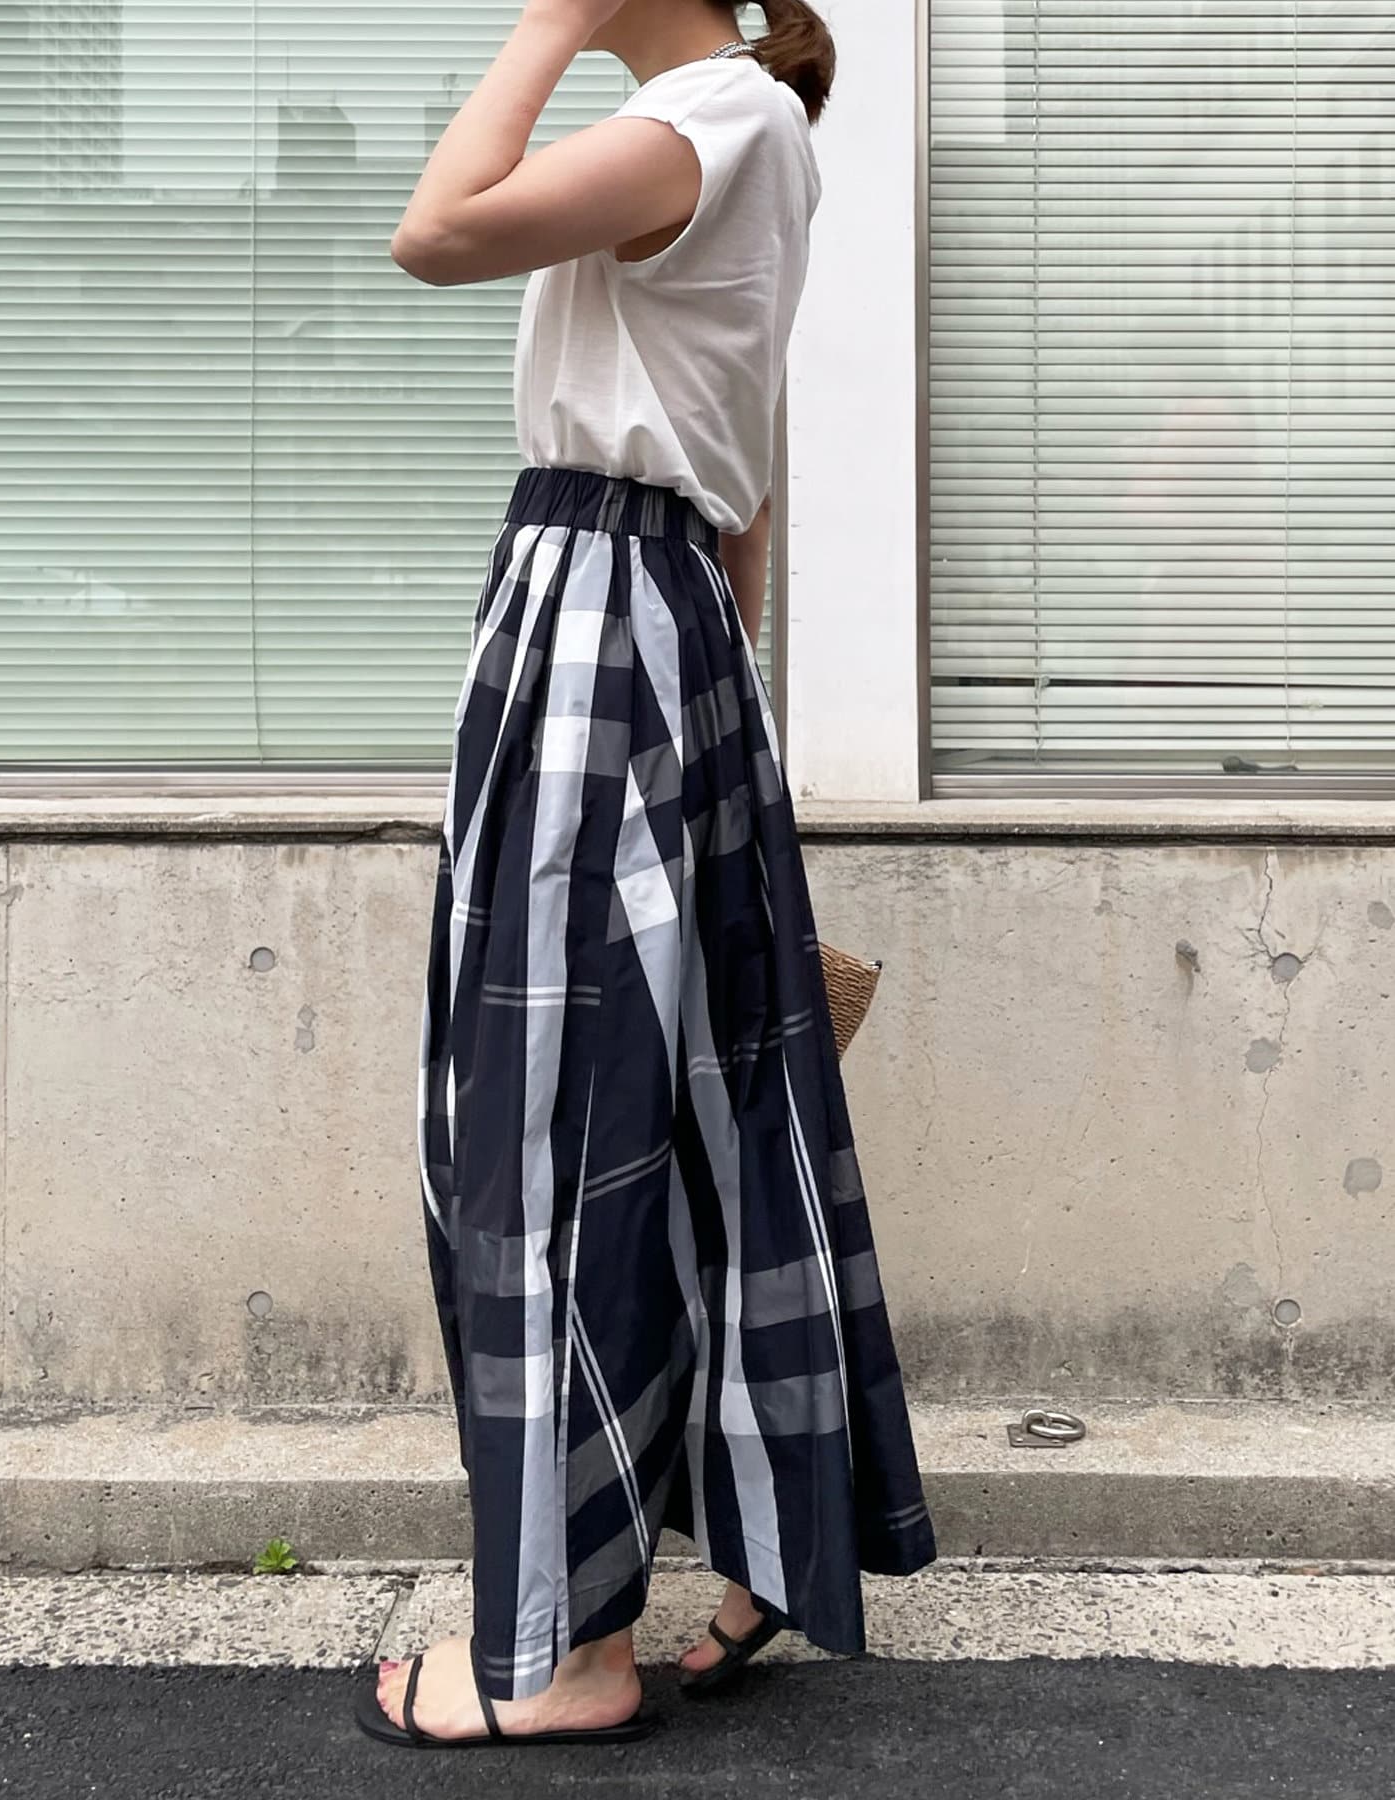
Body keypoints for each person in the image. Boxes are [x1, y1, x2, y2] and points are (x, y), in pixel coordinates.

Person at [356, 0, 937, 1753]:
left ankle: (562, 1656)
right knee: (680, 1097)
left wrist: (550, 22)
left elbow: (434, 232)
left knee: (550, 1120)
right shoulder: (745, 130)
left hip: (598, 614)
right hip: (648, 617)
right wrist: (730, 698)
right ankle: (753, 1537)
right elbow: (741, 444)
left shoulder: (715, 119)